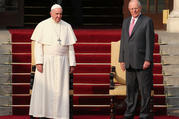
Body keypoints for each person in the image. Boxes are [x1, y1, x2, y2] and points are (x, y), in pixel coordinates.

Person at [29, 4, 77, 119]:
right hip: (47, 62)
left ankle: (59, 114)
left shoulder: (67, 26)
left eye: (60, 14)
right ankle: (43, 114)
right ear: (51, 13)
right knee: (45, 89)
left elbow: (70, 47)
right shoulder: (42, 25)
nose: (58, 16)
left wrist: (72, 63)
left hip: (62, 62)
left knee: (60, 90)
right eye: (56, 14)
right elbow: (38, 45)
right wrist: (39, 62)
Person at [119, 0, 155, 119]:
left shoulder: (147, 21)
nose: (134, 11)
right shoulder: (126, 22)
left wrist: (148, 59)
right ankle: (130, 112)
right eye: (131, 9)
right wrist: (122, 59)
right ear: (129, 10)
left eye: (136, 8)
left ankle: (144, 114)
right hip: (129, 62)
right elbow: (123, 41)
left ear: (140, 8)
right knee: (131, 90)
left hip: (142, 62)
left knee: (145, 91)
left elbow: (150, 42)